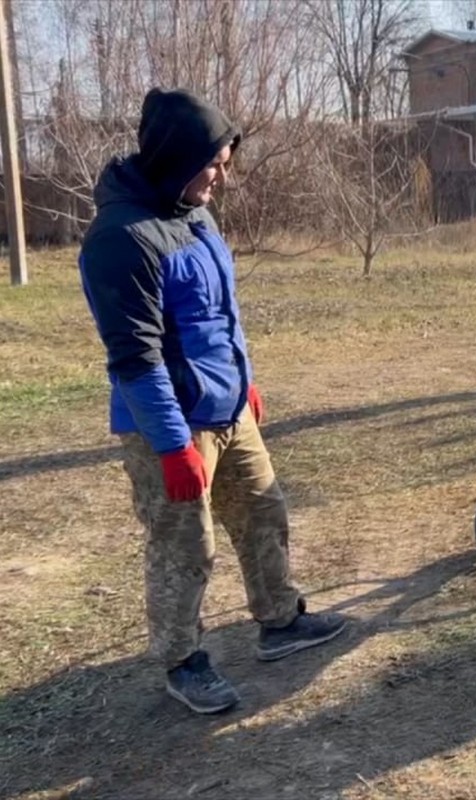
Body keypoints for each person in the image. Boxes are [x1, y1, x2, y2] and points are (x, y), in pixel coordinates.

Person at [77, 88, 347, 714]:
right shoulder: (121, 239)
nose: (222, 178)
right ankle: (182, 660)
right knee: (184, 548)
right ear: (177, 157)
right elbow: (135, 360)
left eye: (227, 162)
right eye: (215, 163)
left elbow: (222, 312)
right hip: (167, 427)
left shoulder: (195, 213)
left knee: (263, 512)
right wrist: (174, 449)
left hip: (227, 406)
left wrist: (244, 378)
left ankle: (280, 623)